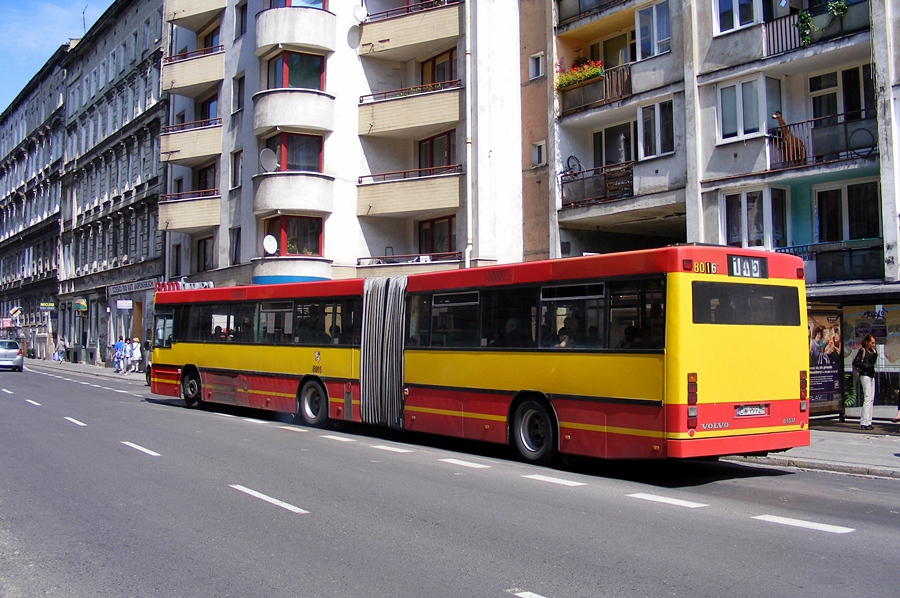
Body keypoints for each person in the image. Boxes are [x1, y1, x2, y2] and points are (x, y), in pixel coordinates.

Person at [853, 333, 877, 430]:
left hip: (871, 375)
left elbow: (873, 363)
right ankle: (864, 422)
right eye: (871, 342)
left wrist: (875, 354)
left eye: (874, 343)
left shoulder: (872, 351)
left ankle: (869, 421)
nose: (873, 345)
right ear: (866, 342)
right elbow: (856, 362)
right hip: (865, 375)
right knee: (867, 398)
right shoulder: (862, 350)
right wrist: (865, 366)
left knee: (871, 399)